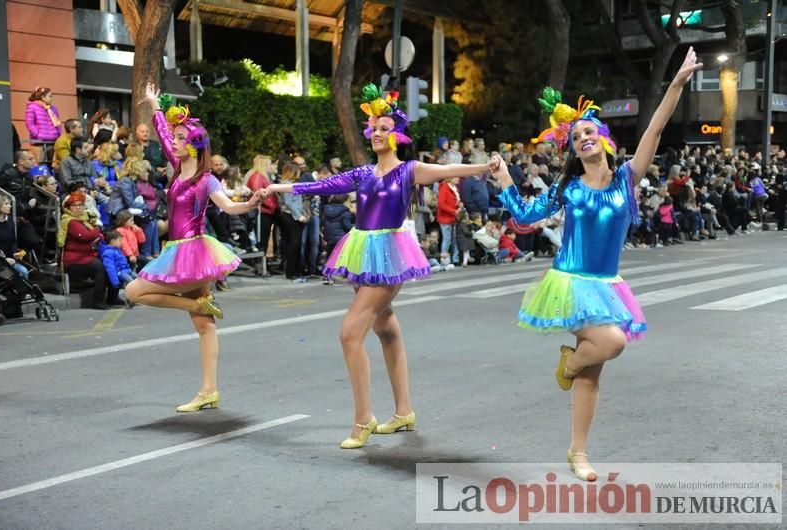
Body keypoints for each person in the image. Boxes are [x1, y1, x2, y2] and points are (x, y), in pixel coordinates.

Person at [491, 48, 702, 481]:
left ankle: (578, 452)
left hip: (608, 284)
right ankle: (567, 364)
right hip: (569, 283)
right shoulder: (567, 185)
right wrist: (506, 182)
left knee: (594, 371)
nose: (583, 138)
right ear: (572, 149)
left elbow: (656, 128)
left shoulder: (628, 177)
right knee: (611, 343)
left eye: (590, 131)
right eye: (575, 137)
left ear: (604, 138)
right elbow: (528, 215)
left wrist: (677, 83)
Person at [260, 83, 499, 449]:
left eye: (384, 128)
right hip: (360, 249)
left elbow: (449, 168)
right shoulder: (361, 174)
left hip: (390, 253)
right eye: (373, 127)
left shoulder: (409, 171)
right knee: (386, 329)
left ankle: (363, 420)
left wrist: (486, 165)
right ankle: (404, 411)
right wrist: (276, 189)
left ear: (398, 135)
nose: (376, 132)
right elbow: (321, 186)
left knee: (349, 332)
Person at [124, 83, 262, 412]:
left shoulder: (206, 179)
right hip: (177, 250)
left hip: (194, 252)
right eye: (175, 137)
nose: (174, 141)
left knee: (133, 291)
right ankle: (209, 390)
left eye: (180, 138)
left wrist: (252, 202)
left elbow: (228, 208)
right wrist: (156, 106)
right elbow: (161, 129)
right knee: (205, 326)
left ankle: (197, 307)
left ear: (195, 144)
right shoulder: (176, 165)